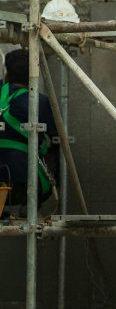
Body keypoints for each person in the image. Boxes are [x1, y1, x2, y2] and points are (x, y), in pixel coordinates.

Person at [0, 49, 58, 216]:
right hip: (25, 182)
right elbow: (55, 134)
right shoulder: (38, 101)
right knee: (57, 147)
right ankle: (32, 206)